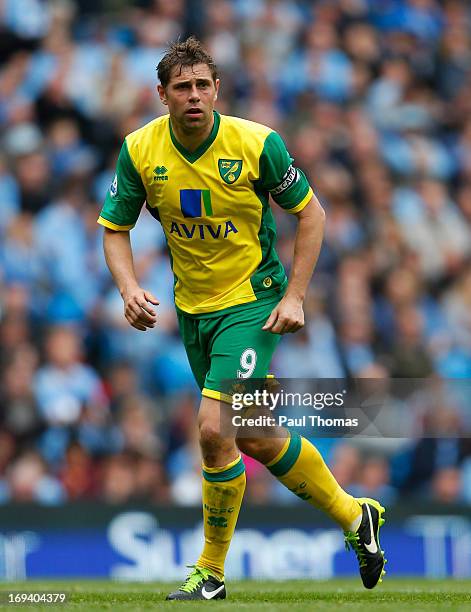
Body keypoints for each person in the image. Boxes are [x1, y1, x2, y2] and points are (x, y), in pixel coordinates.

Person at [98, 36, 386, 601]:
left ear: (217, 90)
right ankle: (357, 517)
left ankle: (210, 572)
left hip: (252, 301)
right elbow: (115, 226)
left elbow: (312, 214)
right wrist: (128, 287)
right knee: (254, 435)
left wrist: (295, 296)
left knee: (213, 428)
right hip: (192, 309)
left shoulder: (258, 144)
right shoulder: (138, 150)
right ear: (162, 95)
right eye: (182, 87)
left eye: (203, 85)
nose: (194, 96)